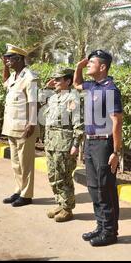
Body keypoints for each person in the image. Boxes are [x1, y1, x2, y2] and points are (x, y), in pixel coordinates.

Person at [73, 49, 123, 247]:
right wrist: (78, 67)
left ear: (102, 67)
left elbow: (117, 122)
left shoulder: (110, 89)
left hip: (104, 143)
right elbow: (76, 84)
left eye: (91, 62)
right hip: (91, 142)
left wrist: (116, 152)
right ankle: (101, 226)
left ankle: (110, 232)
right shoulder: (92, 86)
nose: (88, 65)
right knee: (94, 187)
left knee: (105, 188)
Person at [1, 44, 40, 207]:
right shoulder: (15, 76)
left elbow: (33, 102)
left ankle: (26, 194)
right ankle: (18, 190)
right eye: (6, 58)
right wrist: (5, 67)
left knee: (26, 163)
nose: (7, 60)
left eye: (10, 58)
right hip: (12, 125)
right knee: (16, 162)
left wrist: (31, 123)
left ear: (19, 59)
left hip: (24, 127)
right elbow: (5, 83)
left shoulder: (29, 77)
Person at [43, 66, 83, 222]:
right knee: (53, 175)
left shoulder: (73, 98)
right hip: (51, 142)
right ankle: (60, 203)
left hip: (64, 143)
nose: (55, 82)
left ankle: (67, 208)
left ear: (68, 81)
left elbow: (78, 124)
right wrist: (48, 86)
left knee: (64, 176)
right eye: (54, 79)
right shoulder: (53, 97)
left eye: (58, 79)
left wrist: (76, 144)